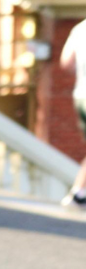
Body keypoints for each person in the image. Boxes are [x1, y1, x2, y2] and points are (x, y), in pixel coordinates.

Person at [60, 17, 86, 208]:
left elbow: (66, 63)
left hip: (81, 95)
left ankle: (79, 192)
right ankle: (78, 193)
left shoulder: (79, 28)